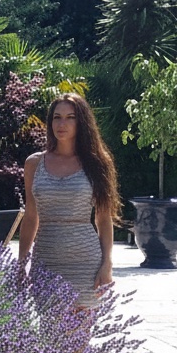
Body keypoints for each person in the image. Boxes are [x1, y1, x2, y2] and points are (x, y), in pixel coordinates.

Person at [17, 93, 120, 306]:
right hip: (46, 260)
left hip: (86, 263)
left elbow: (103, 219)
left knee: (80, 337)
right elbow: (30, 216)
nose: (61, 123)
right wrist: (21, 263)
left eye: (70, 117)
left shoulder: (98, 162)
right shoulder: (34, 164)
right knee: (49, 335)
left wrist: (107, 264)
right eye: (57, 117)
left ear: (81, 122)